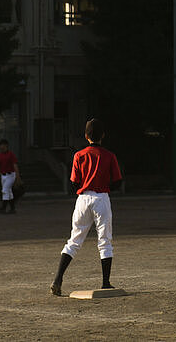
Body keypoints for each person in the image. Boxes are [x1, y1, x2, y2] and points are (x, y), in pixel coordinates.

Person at [50, 118, 123, 296]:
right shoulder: (109, 156)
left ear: (85, 136)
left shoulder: (79, 155)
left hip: (82, 198)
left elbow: (74, 183)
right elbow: (118, 182)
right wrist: (104, 188)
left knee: (74, 240)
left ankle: (58, 279)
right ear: (103, 136)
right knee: (105, 240)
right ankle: (105, 283)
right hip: (101, 198)